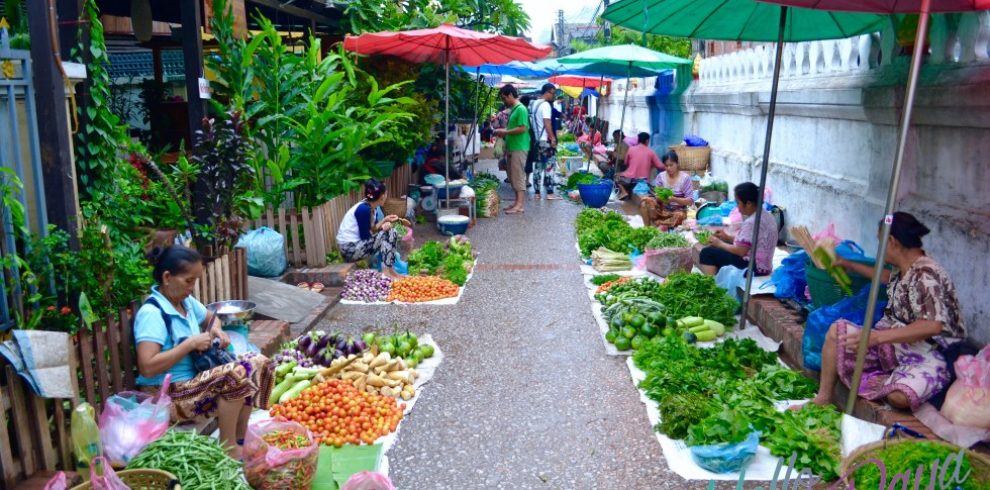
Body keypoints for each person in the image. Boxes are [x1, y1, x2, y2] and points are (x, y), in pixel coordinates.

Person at [810, 212, 965, 410]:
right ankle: (823, 398)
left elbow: (933, 325)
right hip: (897, 345)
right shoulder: (904, 267)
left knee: (899, 398)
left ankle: (898, 380)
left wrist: (877, 338)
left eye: (880, 242)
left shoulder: (927, 275)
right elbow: (885, 277)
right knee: (836, 332)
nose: (879, 249)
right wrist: (849, 264)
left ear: (891, 241)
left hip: (930, 353)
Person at [135, 245, 274, 457]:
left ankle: (240, 436)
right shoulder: (152, 314)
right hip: (167, 396)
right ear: (167, 277)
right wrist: (190, 344)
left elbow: (212, 318)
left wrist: (217, 330)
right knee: (234, 374)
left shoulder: (185, 302)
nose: (192, 287)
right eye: (188, 280)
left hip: (194, 384)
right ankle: (228, 447)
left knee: (257, 362)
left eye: (195, 281)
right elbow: (147, 366)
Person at [696, 182, 777, 276]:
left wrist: (719, 243)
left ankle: (711, 286)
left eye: (738, 203)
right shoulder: (767, 215)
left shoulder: (751, 222)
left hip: (754, 267)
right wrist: (727, 237)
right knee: (717, 247)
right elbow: (750, 242)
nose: (737, 208)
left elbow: (741, 251)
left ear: (749, 203)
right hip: (764, 265)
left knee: (707, 253)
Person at [337, 179, 403, 278]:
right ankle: (386, 273)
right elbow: (366, 236)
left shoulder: (372, 208)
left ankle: (390, 270)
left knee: (390, 232)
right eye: (385, 194)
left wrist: (384, 221)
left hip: (358, 245)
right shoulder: (363, 210)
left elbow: (371, 231)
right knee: (388, 233)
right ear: (381, 197)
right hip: (350, 250)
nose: (386, 197)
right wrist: (382, 228)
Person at [494, 84, 529, 214]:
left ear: (510, 95)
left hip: (519, 147)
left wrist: (505, 131)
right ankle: (516, 202)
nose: (504, 101)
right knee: (513, 176)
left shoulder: (520, 109)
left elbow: (523, 128)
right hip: (513, 146)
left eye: (504, 98)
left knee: (518, 175)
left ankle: (520, 205)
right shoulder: (515, 109)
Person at [639, 151, 693, 228]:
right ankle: (647, 229)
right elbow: (657, 196)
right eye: (666, 165)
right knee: (644, 203)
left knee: (679, 216)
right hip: (663, 210)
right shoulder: (661, 177)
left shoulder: (685, 178)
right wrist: (660, 198)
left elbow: (690, 201)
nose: (668, 168)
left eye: (671, 165)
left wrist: (674, 199)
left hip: (677, 211)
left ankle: (661, 223)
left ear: (677, 164)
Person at [530, 83, 561, 200]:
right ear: (547, 91)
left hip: (537, 141)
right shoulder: (546, 106)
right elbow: (547, 123)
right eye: (553, 93)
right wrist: (552, 138)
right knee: (549, 166)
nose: (553, 96)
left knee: (538, 167)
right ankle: (549, 193)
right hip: (546, 142)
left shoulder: (534, 104)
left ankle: (537, 193)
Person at [616, 132, 664, 200]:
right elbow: (660, 166)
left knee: (616, 176)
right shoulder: (651, 152)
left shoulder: (631, 149)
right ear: (647, 141)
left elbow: (626, 162)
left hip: (630, 179)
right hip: (643, 181)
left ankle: (624, 192)